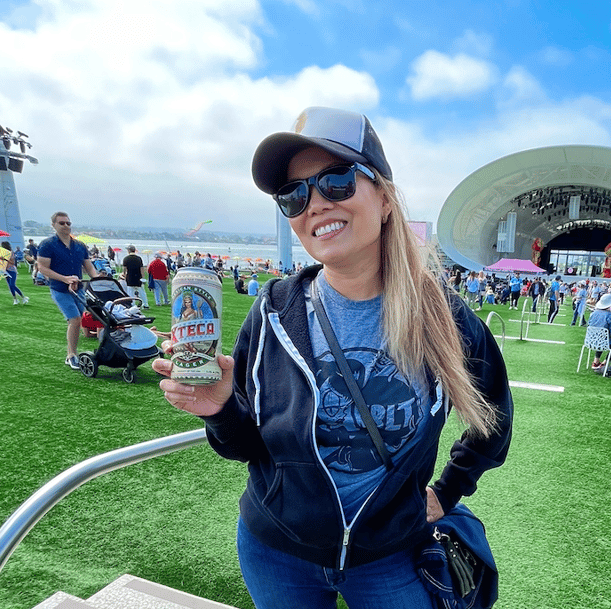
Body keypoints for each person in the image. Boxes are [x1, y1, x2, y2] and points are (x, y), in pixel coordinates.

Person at [153, 106, 512, 609]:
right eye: (294, 195)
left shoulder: (447, 319)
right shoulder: (274, 311)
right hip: (277, 553)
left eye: (337, 181)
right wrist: (218, 408)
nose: (314, 204)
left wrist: (446, 492)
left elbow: (492, 421)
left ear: (385, 199)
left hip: (392, 556)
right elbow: (246, 448)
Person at [37, 211, 99, 369]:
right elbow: (43, 268)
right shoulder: (47, 245)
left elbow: (88, 266)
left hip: (78, 288)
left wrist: (98, 279)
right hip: (60, 289)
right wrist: (64, 278)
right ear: (54, 225)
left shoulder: (79, 246)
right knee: (75, 319)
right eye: (62, 223)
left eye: (68, 223)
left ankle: (78, 349)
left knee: (82, 319)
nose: (66, 226)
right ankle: (71, 354)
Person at [587, 293, 611, 370]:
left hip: (591, 341)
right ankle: (605, 362)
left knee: (601, 338)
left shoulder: (593, 314)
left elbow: (589, 324)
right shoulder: (610, 315)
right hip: (603, 341)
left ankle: (596, 360)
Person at [120, 245, 149, 309]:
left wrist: (124, 276)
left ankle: (132, 304)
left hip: (130, 277)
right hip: (138, 277)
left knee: (130, 292)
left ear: (129, 250)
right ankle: (145, 304)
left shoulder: (126, 259)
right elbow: (142, 269)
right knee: (142, 292)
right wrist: (142, 277)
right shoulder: (139, 258)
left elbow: (124, 270)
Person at [0, 241, 29, 305]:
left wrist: (5, 259)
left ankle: (23, 297)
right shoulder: (3, 253)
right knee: (10, 286)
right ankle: (15, 299)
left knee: (12, 285)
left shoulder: (11, 253)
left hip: (12, 270)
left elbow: (12, 262)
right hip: (6, 270)